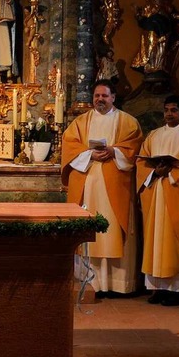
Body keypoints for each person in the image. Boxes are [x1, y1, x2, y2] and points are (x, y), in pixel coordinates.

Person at [62, 80, 143, 294]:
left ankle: (117, 284)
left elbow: (133, 147)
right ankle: (91, 282)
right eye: (97, 96)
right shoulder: (81, 122)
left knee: (113, 229)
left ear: (113, 97)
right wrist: (90, 154)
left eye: (104, 96)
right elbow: (69, 146)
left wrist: (114, 152)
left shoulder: (128, 122)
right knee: (90, 231)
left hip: (115, 187)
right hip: (88, 184)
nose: (100, 99)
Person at [136, 95, 179, 305]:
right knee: (155, 240)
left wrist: (173, 171)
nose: (169, 114)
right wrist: (155, 171)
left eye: (173, 110)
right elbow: (141, 161)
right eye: (166, 110)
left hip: (176, 192)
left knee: (175, 239)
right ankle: (157, 288)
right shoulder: (154, 135)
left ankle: (178, 289)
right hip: (156, 190)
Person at [130, 0, 179, 79]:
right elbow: (142, 18)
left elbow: (173, 15)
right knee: (152, 47)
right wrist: (137, 13)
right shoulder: (149, 4)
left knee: (162, 48)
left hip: (165, 30)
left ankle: (159, 66)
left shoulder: (167, 5)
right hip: (151, 30)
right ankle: (150, 66)